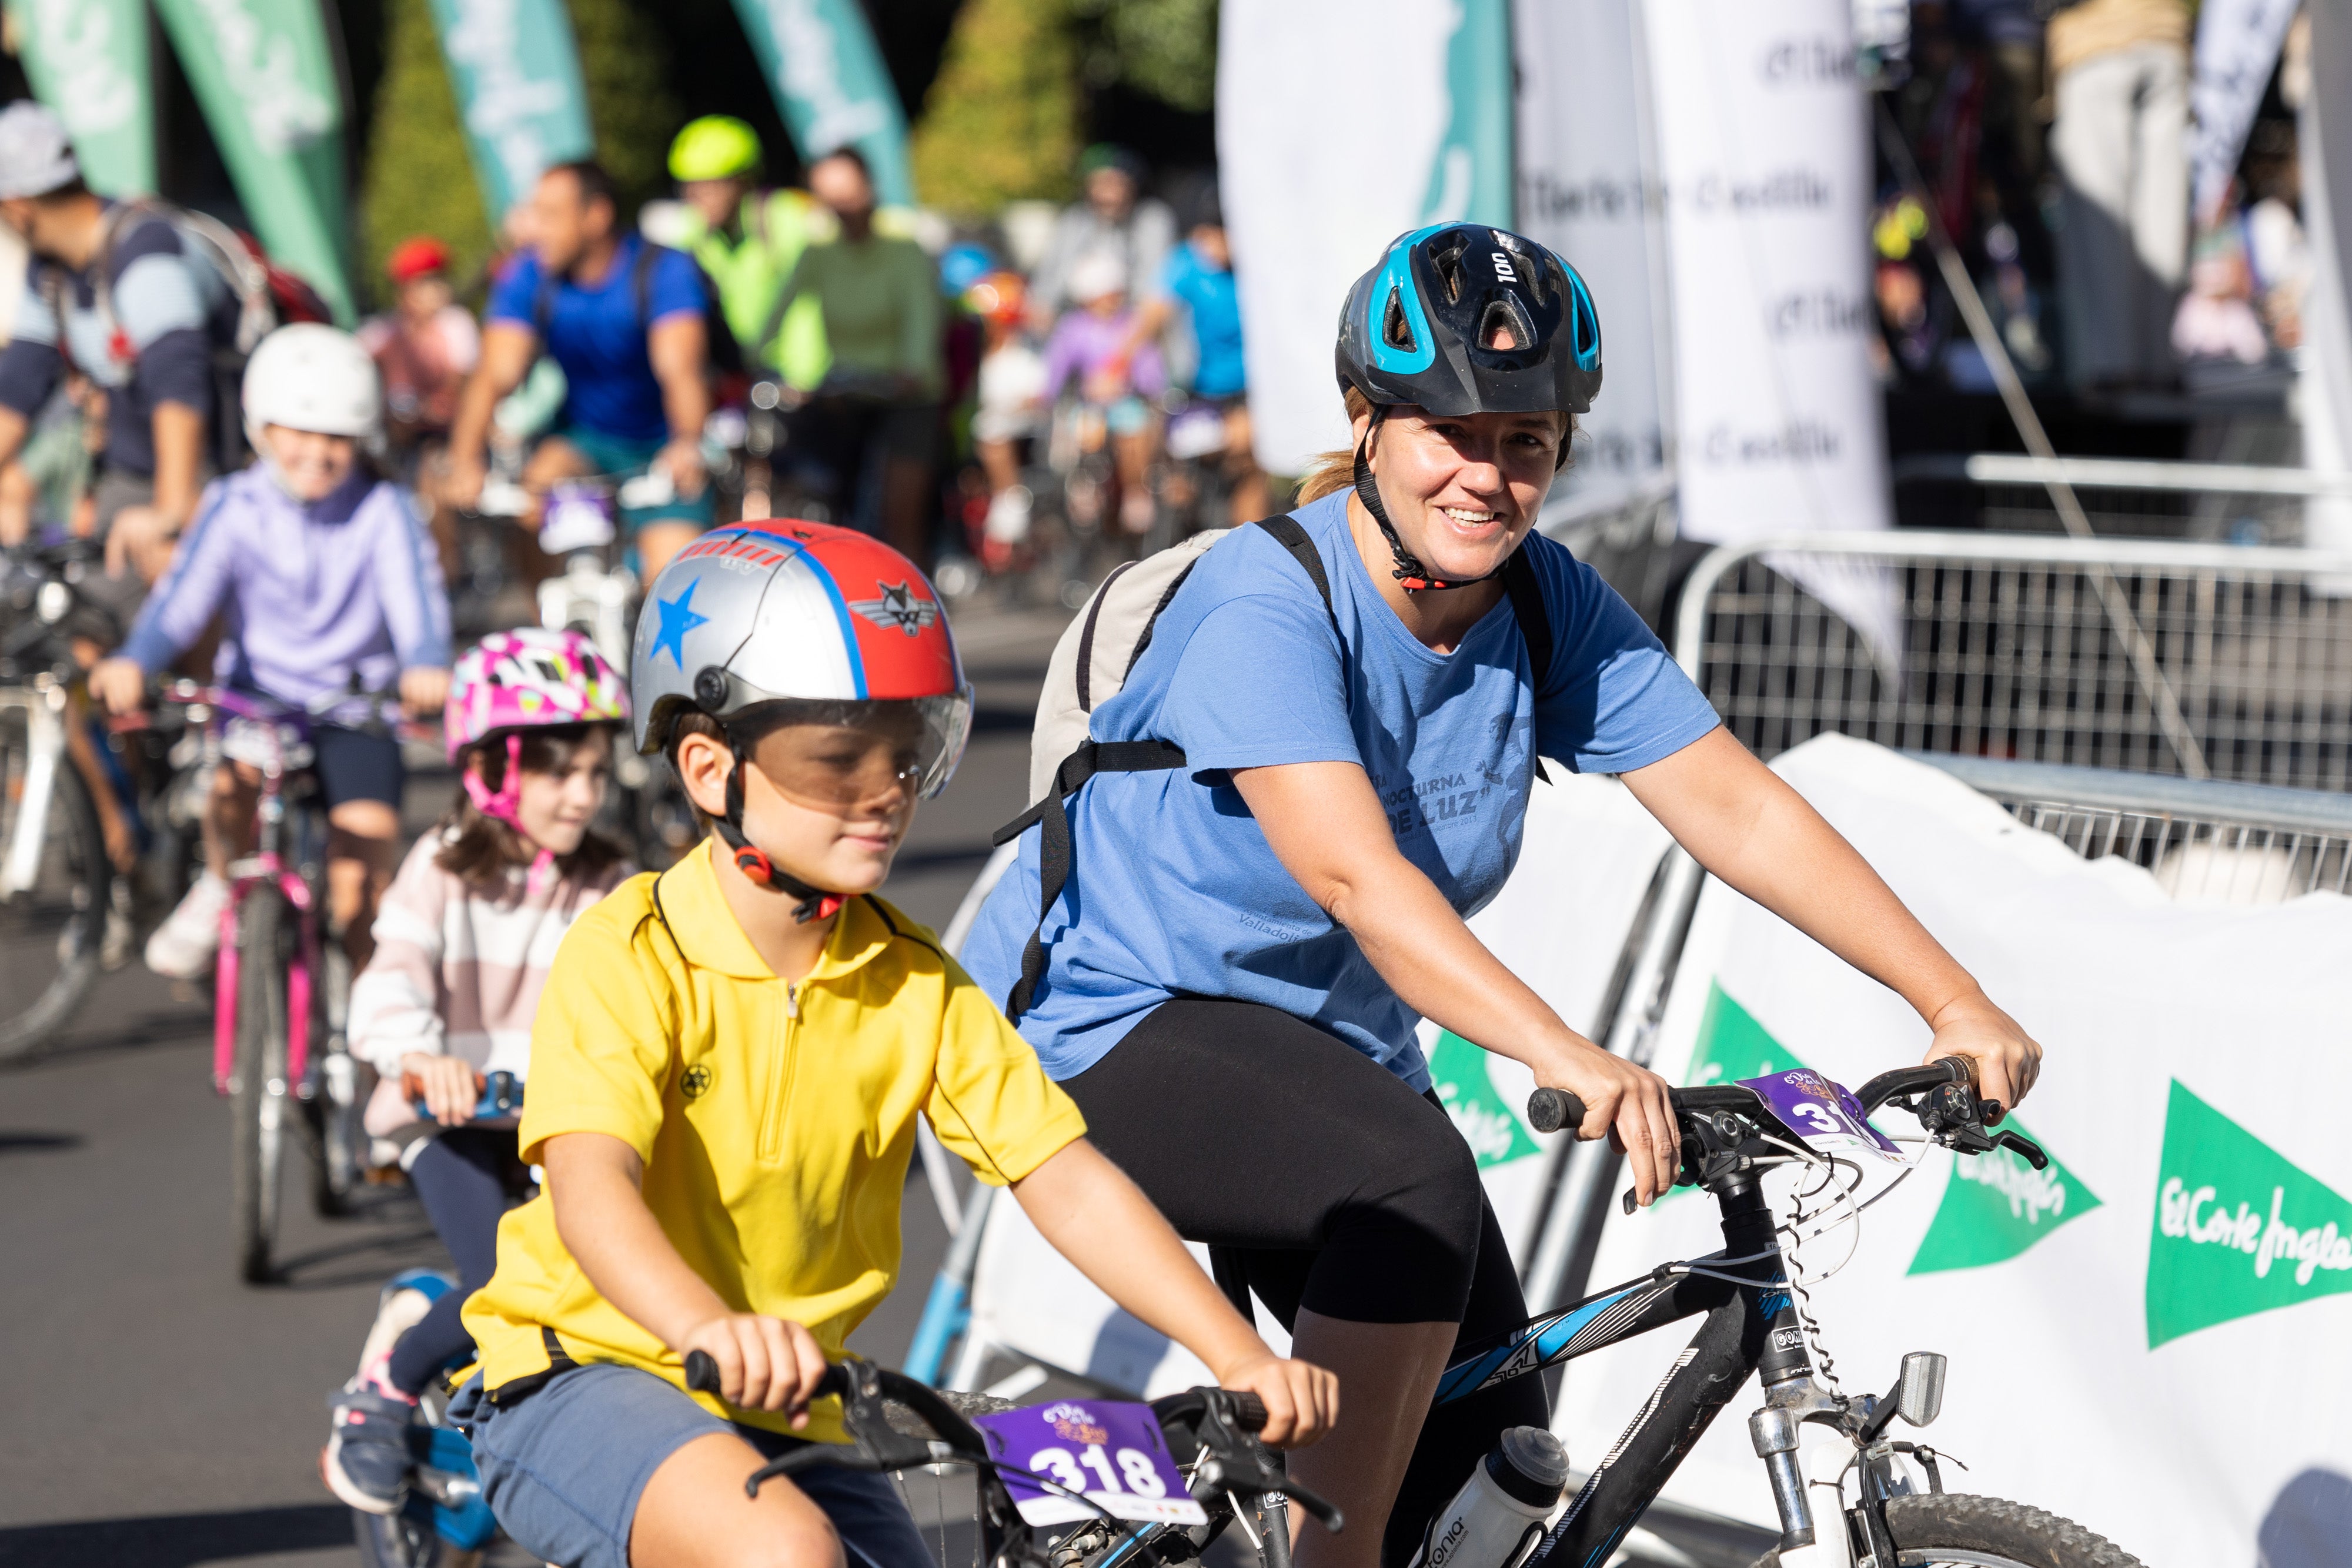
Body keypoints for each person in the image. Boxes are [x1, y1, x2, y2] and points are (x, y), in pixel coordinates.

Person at [960, 224, 2047, 1568]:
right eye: (1448, 434)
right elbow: (1359, 880)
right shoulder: (1267, 600)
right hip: (1104, 1022)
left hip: (1328, 1058)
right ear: (1365, 421)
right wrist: (1565, 1057)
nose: (1486, 475)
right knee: (1407, 1186)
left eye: (1523, 441)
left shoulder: (1540, 604)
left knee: (1490, 1482)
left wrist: (1947, 996)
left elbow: (1736, 806)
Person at [444, 521, 1336, 1568]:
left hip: (797, 1407)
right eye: (835, 760)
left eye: (907, 757)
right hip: (587, 1373)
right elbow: (594, 1189)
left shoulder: (915, 982)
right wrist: (708, 1327)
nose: (883, 795)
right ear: (707, 765)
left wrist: (1237, 1351)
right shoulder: (630, 950)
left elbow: (1067, 1180)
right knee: (782, 1553)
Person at [322, 627, 634, 1515]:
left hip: (555, 1116)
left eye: (595, 772)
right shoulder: (442, 868)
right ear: (494, 770)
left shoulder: (612, 881)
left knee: (614, 1268)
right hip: (450, 1115)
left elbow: (650, 994)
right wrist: (419, 1056)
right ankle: (381, 1389)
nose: (582, 794)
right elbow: (388, 980)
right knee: (512, 1277)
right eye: (557, 771)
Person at [88, 325, 453, 980]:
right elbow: (182, 602)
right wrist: (136, 659)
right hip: (260, 704)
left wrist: (426, 664)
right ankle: (221, 883)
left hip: (356, 708)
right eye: (299, 432)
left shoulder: (385, 509)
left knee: (359, 890)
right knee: (228, 793)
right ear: (262, 428)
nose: (317, 452)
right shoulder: (233, 504)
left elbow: (416, 602)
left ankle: (354, 1048)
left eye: (338, 437)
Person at [445, 161, 714, 588]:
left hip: (662, 446)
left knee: (671, 588)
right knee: (532, 504)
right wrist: (465, 459)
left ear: (597, 216)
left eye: (551, 216)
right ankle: (554, 636)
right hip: (585, 441)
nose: (535, 230)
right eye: (534, 214)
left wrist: (686, 444)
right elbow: (495, 373)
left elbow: (681, 372)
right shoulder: (531, 273)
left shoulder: (664, 270)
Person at [0, 101, 236, 586]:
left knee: (175, 602)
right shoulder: (51, 273)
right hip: (132, 474)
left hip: (210, 473)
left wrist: (170, 514)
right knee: (86, 625)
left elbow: (179, 384)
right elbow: (17, 388)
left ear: (17, 208)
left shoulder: (145, 248)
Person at [766, 148, 943, 565]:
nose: (842, 209)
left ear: (869, 191)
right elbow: (779, 313)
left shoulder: (904, 250)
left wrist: (912, 368)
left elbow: (922, 316)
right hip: (847, 394)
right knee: (828, 504)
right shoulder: (819, 254)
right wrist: (768, 364)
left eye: (849, 196)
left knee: (901, 515)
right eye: (831, 199)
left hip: (906, 396)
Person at [2047, 0, 2191, 392]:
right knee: (2162, 213)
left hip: (2095, 42)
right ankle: (2160, 362)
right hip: (2167, 36)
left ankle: (2113, 367)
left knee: (2102, 218)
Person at [1112, 195, 1267, 522]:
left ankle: (1250, 546)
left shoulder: (1260, 261)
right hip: (1198, 387)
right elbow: (1151, 316)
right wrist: (1117, 365)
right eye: (1205, 238)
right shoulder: (1186, 263)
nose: (1212, 248)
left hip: (1250, 388)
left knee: (1248, 462)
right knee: (1180, 474)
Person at [666, 115, 831, 393]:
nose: (701, 198)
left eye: (714, 186)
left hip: (797, 378)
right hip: (740, 376)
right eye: (691, 188)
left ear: (744, 182)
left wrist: (804, 381)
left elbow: (808, 306)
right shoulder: (691, 235)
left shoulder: (786, 219)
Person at [1041, 252, 1165, 536]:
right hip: (1089, 407)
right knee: (1083, 431)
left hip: (1127, 403)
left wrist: (1131, 384)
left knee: (1135, 427)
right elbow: (1056, 366)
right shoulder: (1073, 327)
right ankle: (1084, 484)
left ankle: (1136, 492)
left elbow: (1152, 370)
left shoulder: (1132, 324)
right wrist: (1047, 395)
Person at [1027, 144, 1175, 332]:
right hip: (1075, 328)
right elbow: (1048, 286)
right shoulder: (1073, 222)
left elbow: (1155, 290)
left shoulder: (1151, 221)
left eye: (1117, 183)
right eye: (1100, 183)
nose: (1109, 194)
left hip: (1133, 331)